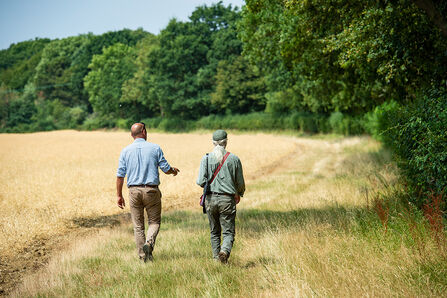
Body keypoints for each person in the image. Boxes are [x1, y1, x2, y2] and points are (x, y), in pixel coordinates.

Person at [116, 122, 179, 262]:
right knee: (154, 222)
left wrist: (119, 195)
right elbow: (165, 168)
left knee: (138, 226)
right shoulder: (155, 148)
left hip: (133, 191)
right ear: (143, 131)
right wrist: (173, 171)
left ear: (132, 135)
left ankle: (143, 257)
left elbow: (120, 175)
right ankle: (149, 243)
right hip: (151, 191)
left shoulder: (125, 151)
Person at [196, 129, 245, 264]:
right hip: (227, 199)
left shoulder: (205, 159)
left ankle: (216, 260)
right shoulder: (234, 159)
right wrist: (239, 193)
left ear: (213, 142)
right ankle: (224, 251)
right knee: (228, 232)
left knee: (214, 232)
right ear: (226, 142)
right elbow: (240, 182)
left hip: (210, 200)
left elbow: (200, 181)